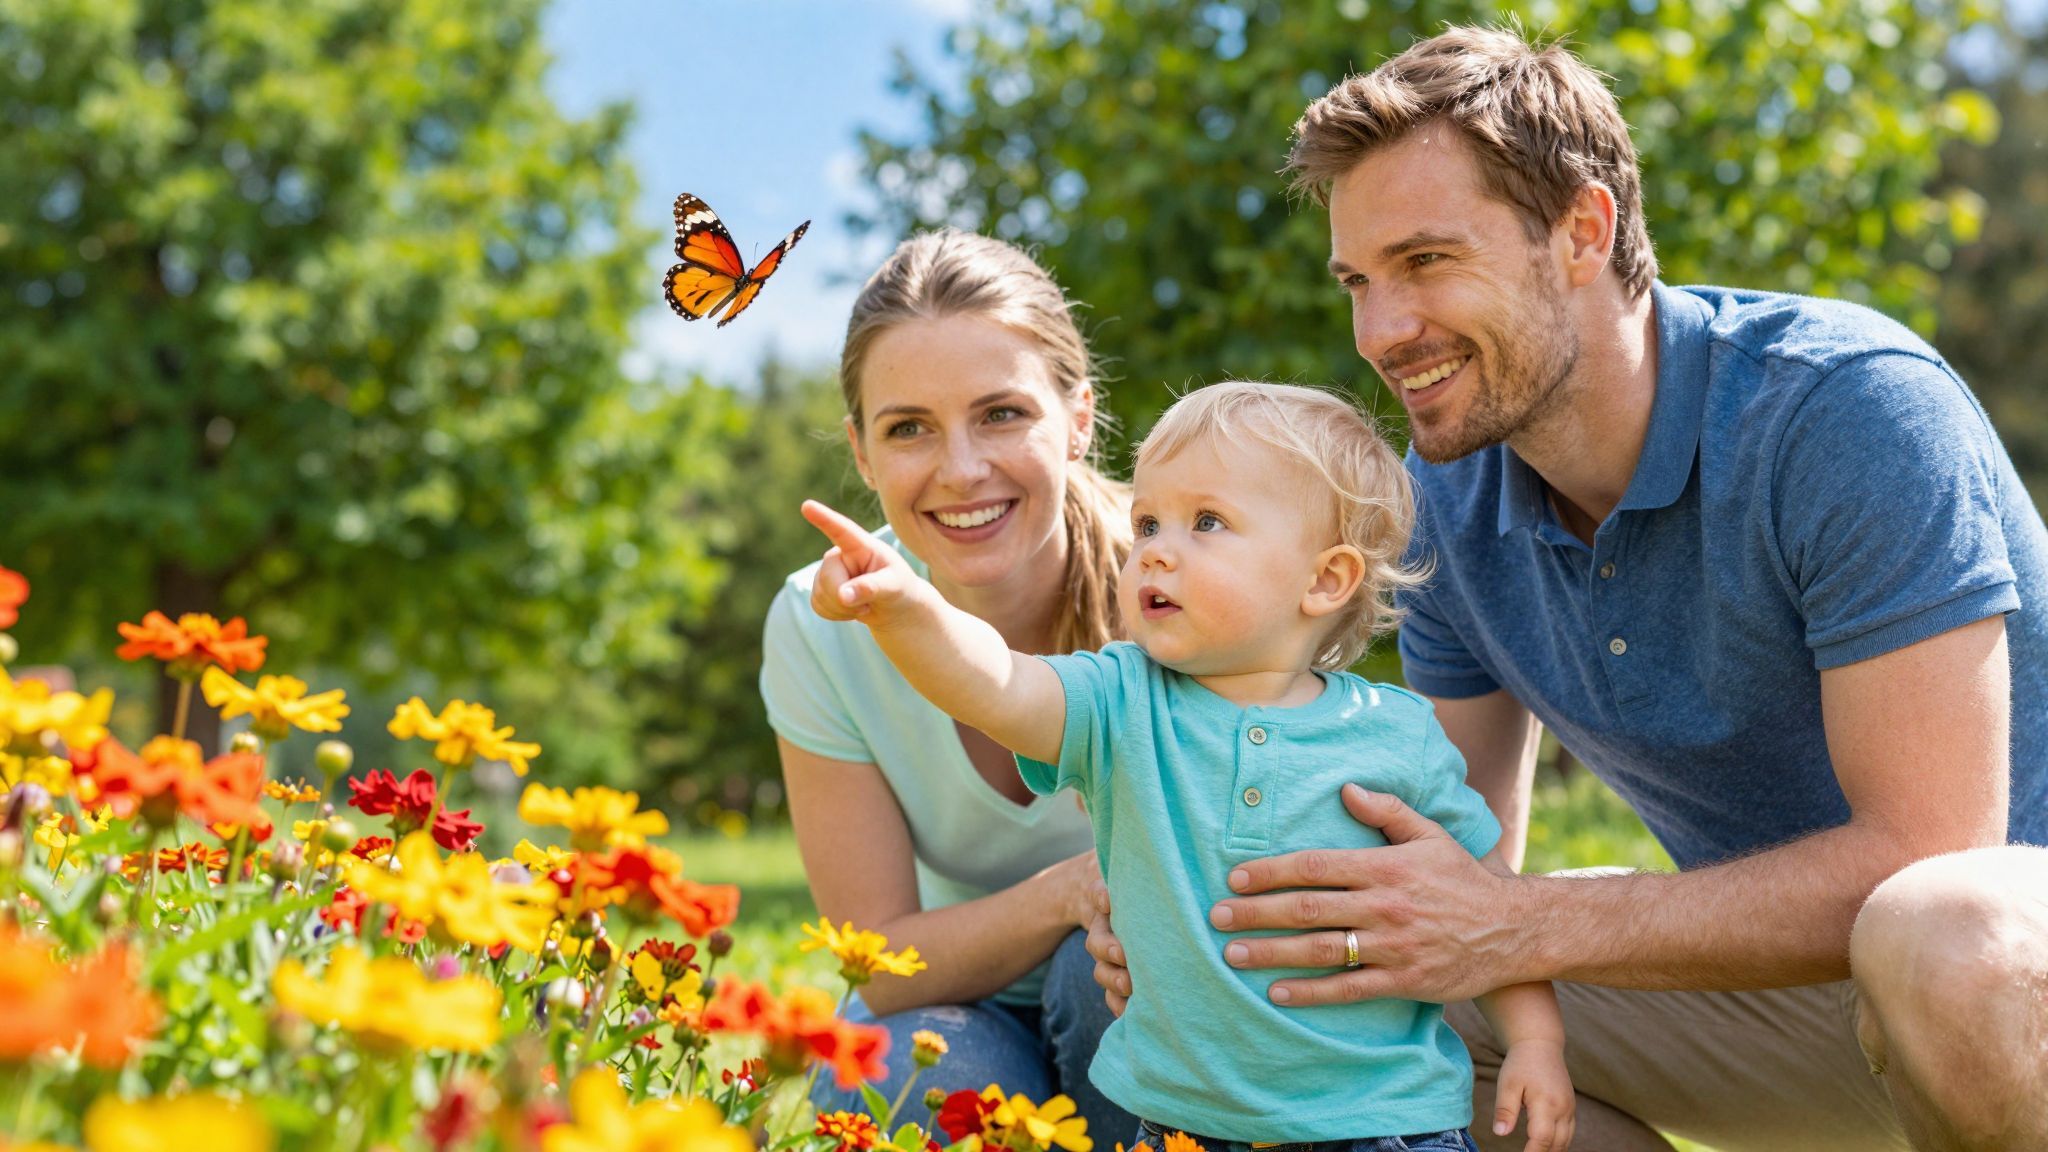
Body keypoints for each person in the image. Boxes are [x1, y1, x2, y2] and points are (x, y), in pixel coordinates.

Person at [1085, 25, 2048, 1152]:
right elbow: (1438, 858)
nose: (1381, 331)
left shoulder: (1841, 409)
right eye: (1359, 281)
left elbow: (1922, 852)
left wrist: (1520, 921)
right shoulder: (1439, 507)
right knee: (1371, 978)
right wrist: (1191, 908)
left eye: (1427, 262)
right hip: (1800, 998)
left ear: (1581, 232)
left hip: (2002, 978)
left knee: (1942, 926)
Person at [802, 381, 1577, 1152]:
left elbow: (1486, 906)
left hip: (1385, 1124)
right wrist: (904, 608)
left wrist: (1536, 1044)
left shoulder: (1397, 734)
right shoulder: (1119, 701)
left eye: (1207, 522)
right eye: (1147, 522)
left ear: (1325, 579)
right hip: (1181, 1129)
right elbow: (993, 683)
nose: (1156, 549)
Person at [758, 228, 1137, 1136]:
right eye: (909, 429)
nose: (961, 469)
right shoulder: (822, 626)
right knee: (898, 1078)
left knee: (1115, 966)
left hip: (1136, 981)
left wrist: (1095, 912)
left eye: (1002, 413)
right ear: (860, 452)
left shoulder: (1176, 590)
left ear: (1078, 417)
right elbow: (878, 963)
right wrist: (1065, 892)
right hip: (950, 1003)